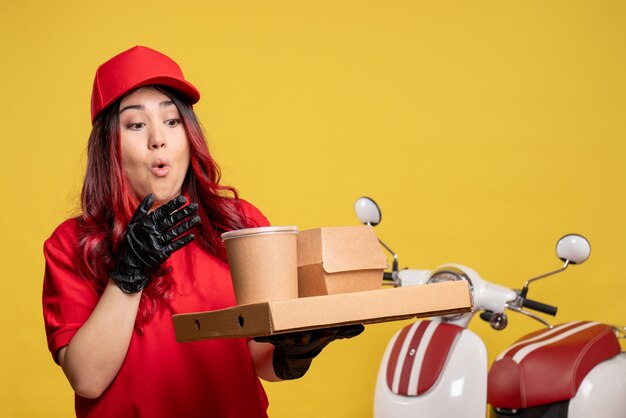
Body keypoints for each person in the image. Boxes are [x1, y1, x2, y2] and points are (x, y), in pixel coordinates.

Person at [42, 45, 363, 418]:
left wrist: (294, 352)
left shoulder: (238, 225)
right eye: (136, 124)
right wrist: (130, 272)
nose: (157, 138)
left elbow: (258, 357)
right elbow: (87, 378)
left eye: (172, 120)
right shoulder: (72, 244)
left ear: (188, 135)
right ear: (108, 146)